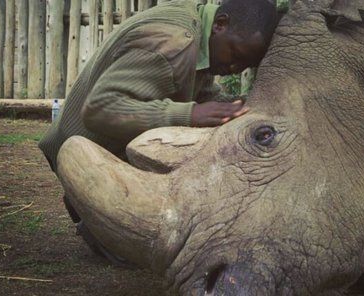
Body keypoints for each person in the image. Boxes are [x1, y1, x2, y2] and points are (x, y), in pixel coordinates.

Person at [39, 0, 279, 263]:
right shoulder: (175, 44)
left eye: (245, 65)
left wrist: (233, 107)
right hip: (81, 147)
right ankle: (87, 207)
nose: (235, 68)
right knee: (141, 255)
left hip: (100, 139)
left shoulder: (199, 31)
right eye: (235, 55)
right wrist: (189, 115)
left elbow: (191, 85)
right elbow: (100, 108)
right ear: (221, 24)